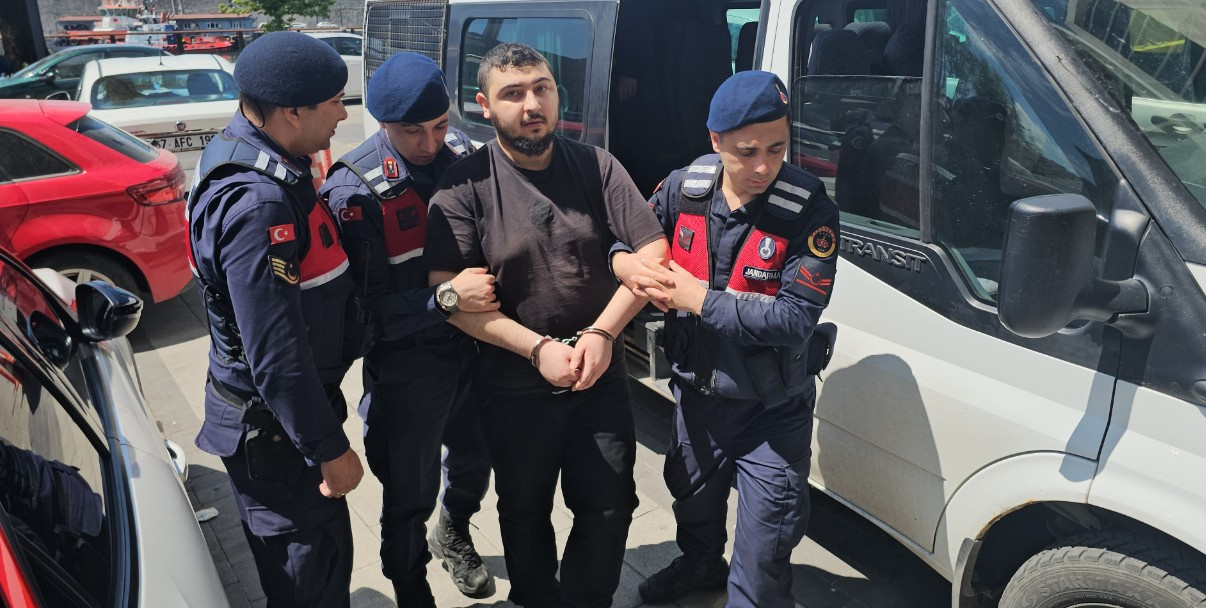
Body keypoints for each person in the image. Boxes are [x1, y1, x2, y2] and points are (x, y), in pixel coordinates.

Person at [424, 42, 669, 608]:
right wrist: (537, 350)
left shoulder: (597, 165)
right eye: (513, 93)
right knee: (524, 510)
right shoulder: (463, 186)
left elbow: (654, 254)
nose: (532, 104)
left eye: (542, 88)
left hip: (598, 377)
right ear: (484, 105)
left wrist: (602, 334)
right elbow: (455, 298)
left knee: (610, 507)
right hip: (512, 387)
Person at [613, 70, 840, 607]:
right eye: (746, 152)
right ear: (715, 141)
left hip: (772, 411)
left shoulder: (810, 209)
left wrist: (698, 299)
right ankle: (699, 568)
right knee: (691, 503)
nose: (763, 166)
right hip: (696, 398)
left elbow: (795, 320)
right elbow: (627, 239)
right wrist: (625, 264)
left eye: (777, 148)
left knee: (763, 557)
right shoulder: (682, 189)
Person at [187, 30, 364, 607]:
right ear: (292, 112)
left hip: (282, 422)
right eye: (334, 102)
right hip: (280, 436)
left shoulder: (252, 150)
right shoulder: (258, 204)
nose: (344, 114)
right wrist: (329, 449)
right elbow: (276, 354)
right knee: (309, 577)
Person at [320, 52, 497, 607]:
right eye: (411, 132)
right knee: (407, 494)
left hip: (477, 349)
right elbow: (360, 314)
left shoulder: (464, 155)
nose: (429, 143)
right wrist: (446, 299)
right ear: (382, 124)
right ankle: (410, 585)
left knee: (475, 461)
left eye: (440, 126)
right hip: (409, 365)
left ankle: (454, 532)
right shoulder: (354, 191)